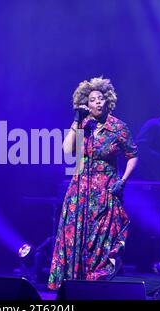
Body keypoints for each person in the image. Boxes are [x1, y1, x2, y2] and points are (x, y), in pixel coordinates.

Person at [47, 77, 138, 290]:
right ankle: (73, 285)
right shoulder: (83, 124)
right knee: (74, 237)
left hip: (107, 188)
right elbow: (68, 151)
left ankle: (96, 284)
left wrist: (123, 181)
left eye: (100, 99)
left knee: (102, 239)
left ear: (108, 101)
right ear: (86, 104)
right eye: (92, 100)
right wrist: (76, 121)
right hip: (80, 189)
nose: (97, 102)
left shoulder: (118, 127)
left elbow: (133, 155)